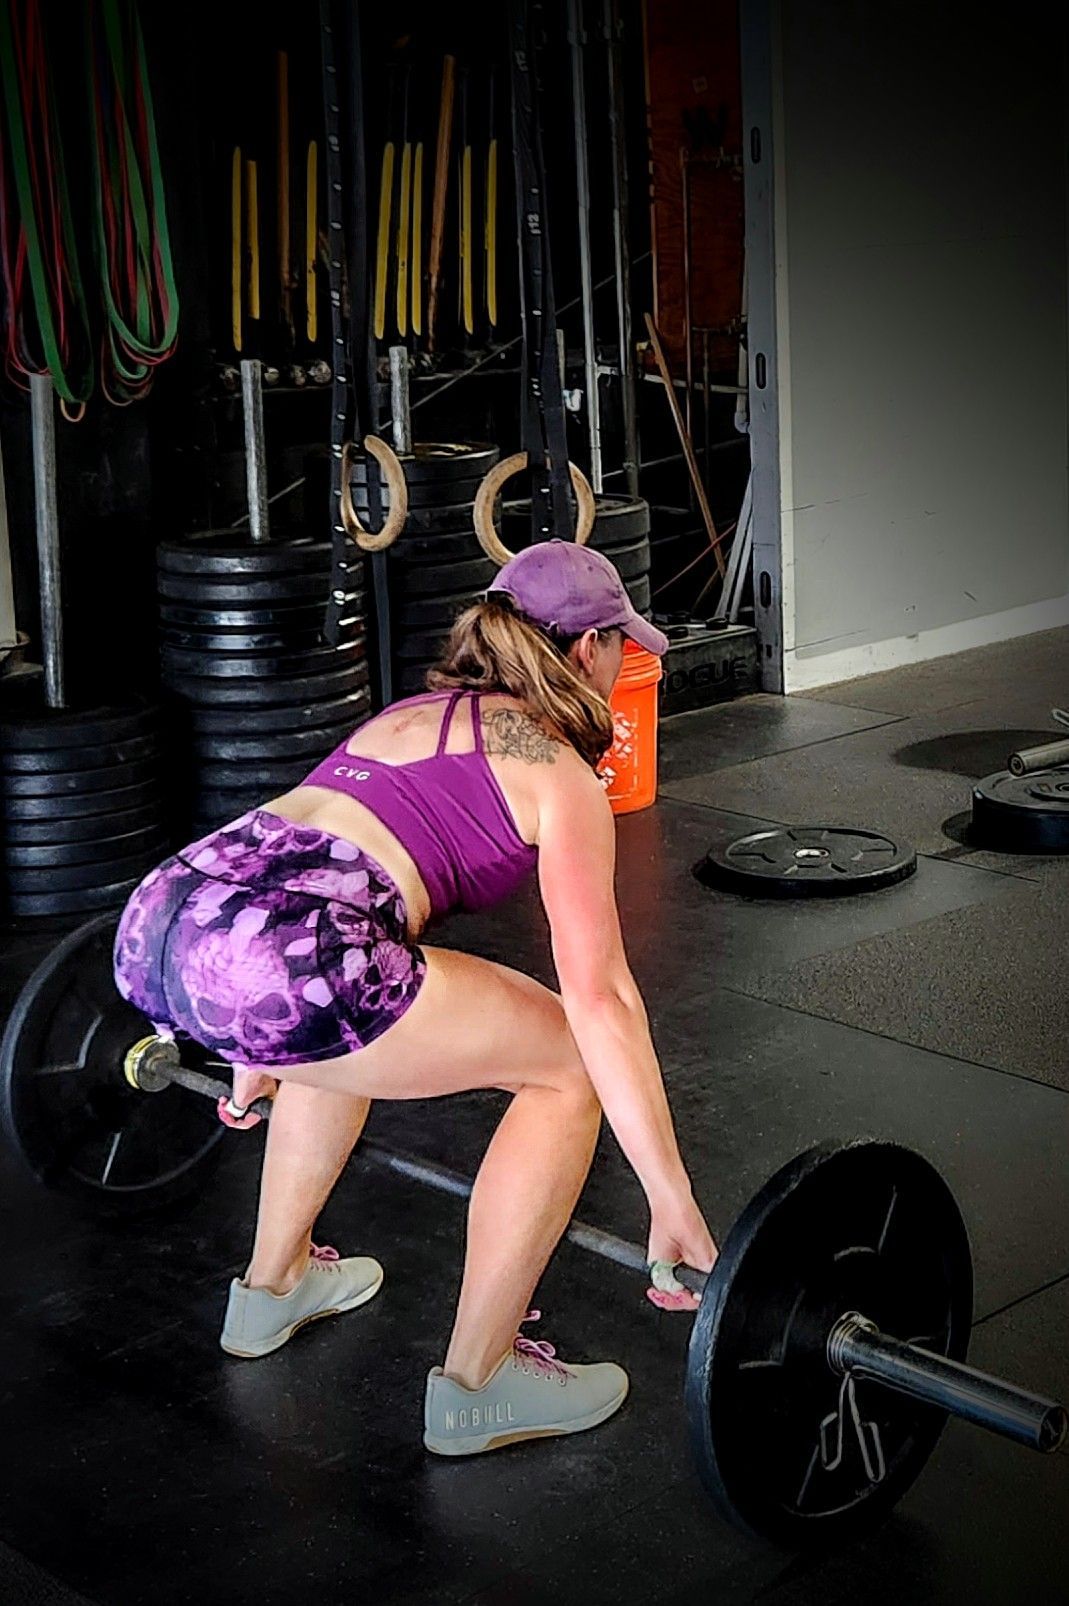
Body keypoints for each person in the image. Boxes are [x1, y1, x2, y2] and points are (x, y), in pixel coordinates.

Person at [114, 539, 717, 1457]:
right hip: (286, 955)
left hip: (163, 921)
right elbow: (600, 996)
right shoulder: (556, 770)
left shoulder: (404, 716)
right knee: (567, 1062)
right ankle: (480, 1382)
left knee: (337, 1031)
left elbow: (283, 870)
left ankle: (271, 1289)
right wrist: (668, 1196)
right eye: (619, 645)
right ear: (589, 648)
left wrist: (248, 1043)